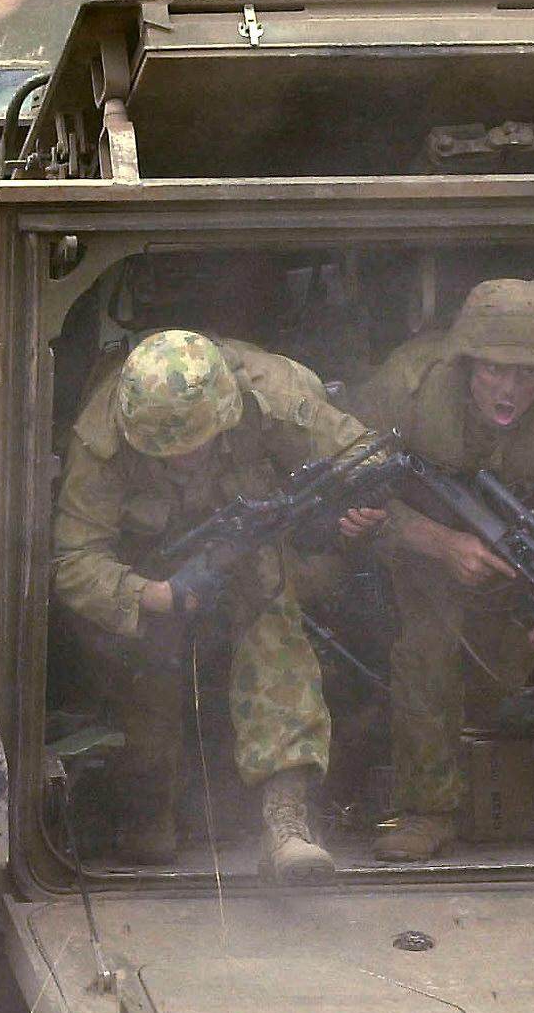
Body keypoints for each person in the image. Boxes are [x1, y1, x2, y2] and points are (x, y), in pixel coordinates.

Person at [51, 329, 384, 882]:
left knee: (273, 622)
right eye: (167, 454)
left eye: (195, 446)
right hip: (152, 574)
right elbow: (73, 562)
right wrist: (156, 595)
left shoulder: (271, 394)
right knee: (149, 822)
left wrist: (358, 509)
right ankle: (148, 808)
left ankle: (286, 823)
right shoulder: (102, 436)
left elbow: (363, 455)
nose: (184, 462)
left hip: (256, 554)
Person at [352, 279, 534, 862]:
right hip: (407, 543)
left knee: (532, 659)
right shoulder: (407, 387)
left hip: (509, 558)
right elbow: (345, 491)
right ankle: (427, 809)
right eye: (494, 370)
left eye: (527, 374)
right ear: (467, 361)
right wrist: (440, 543)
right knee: (428, 643)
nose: (510, 389)